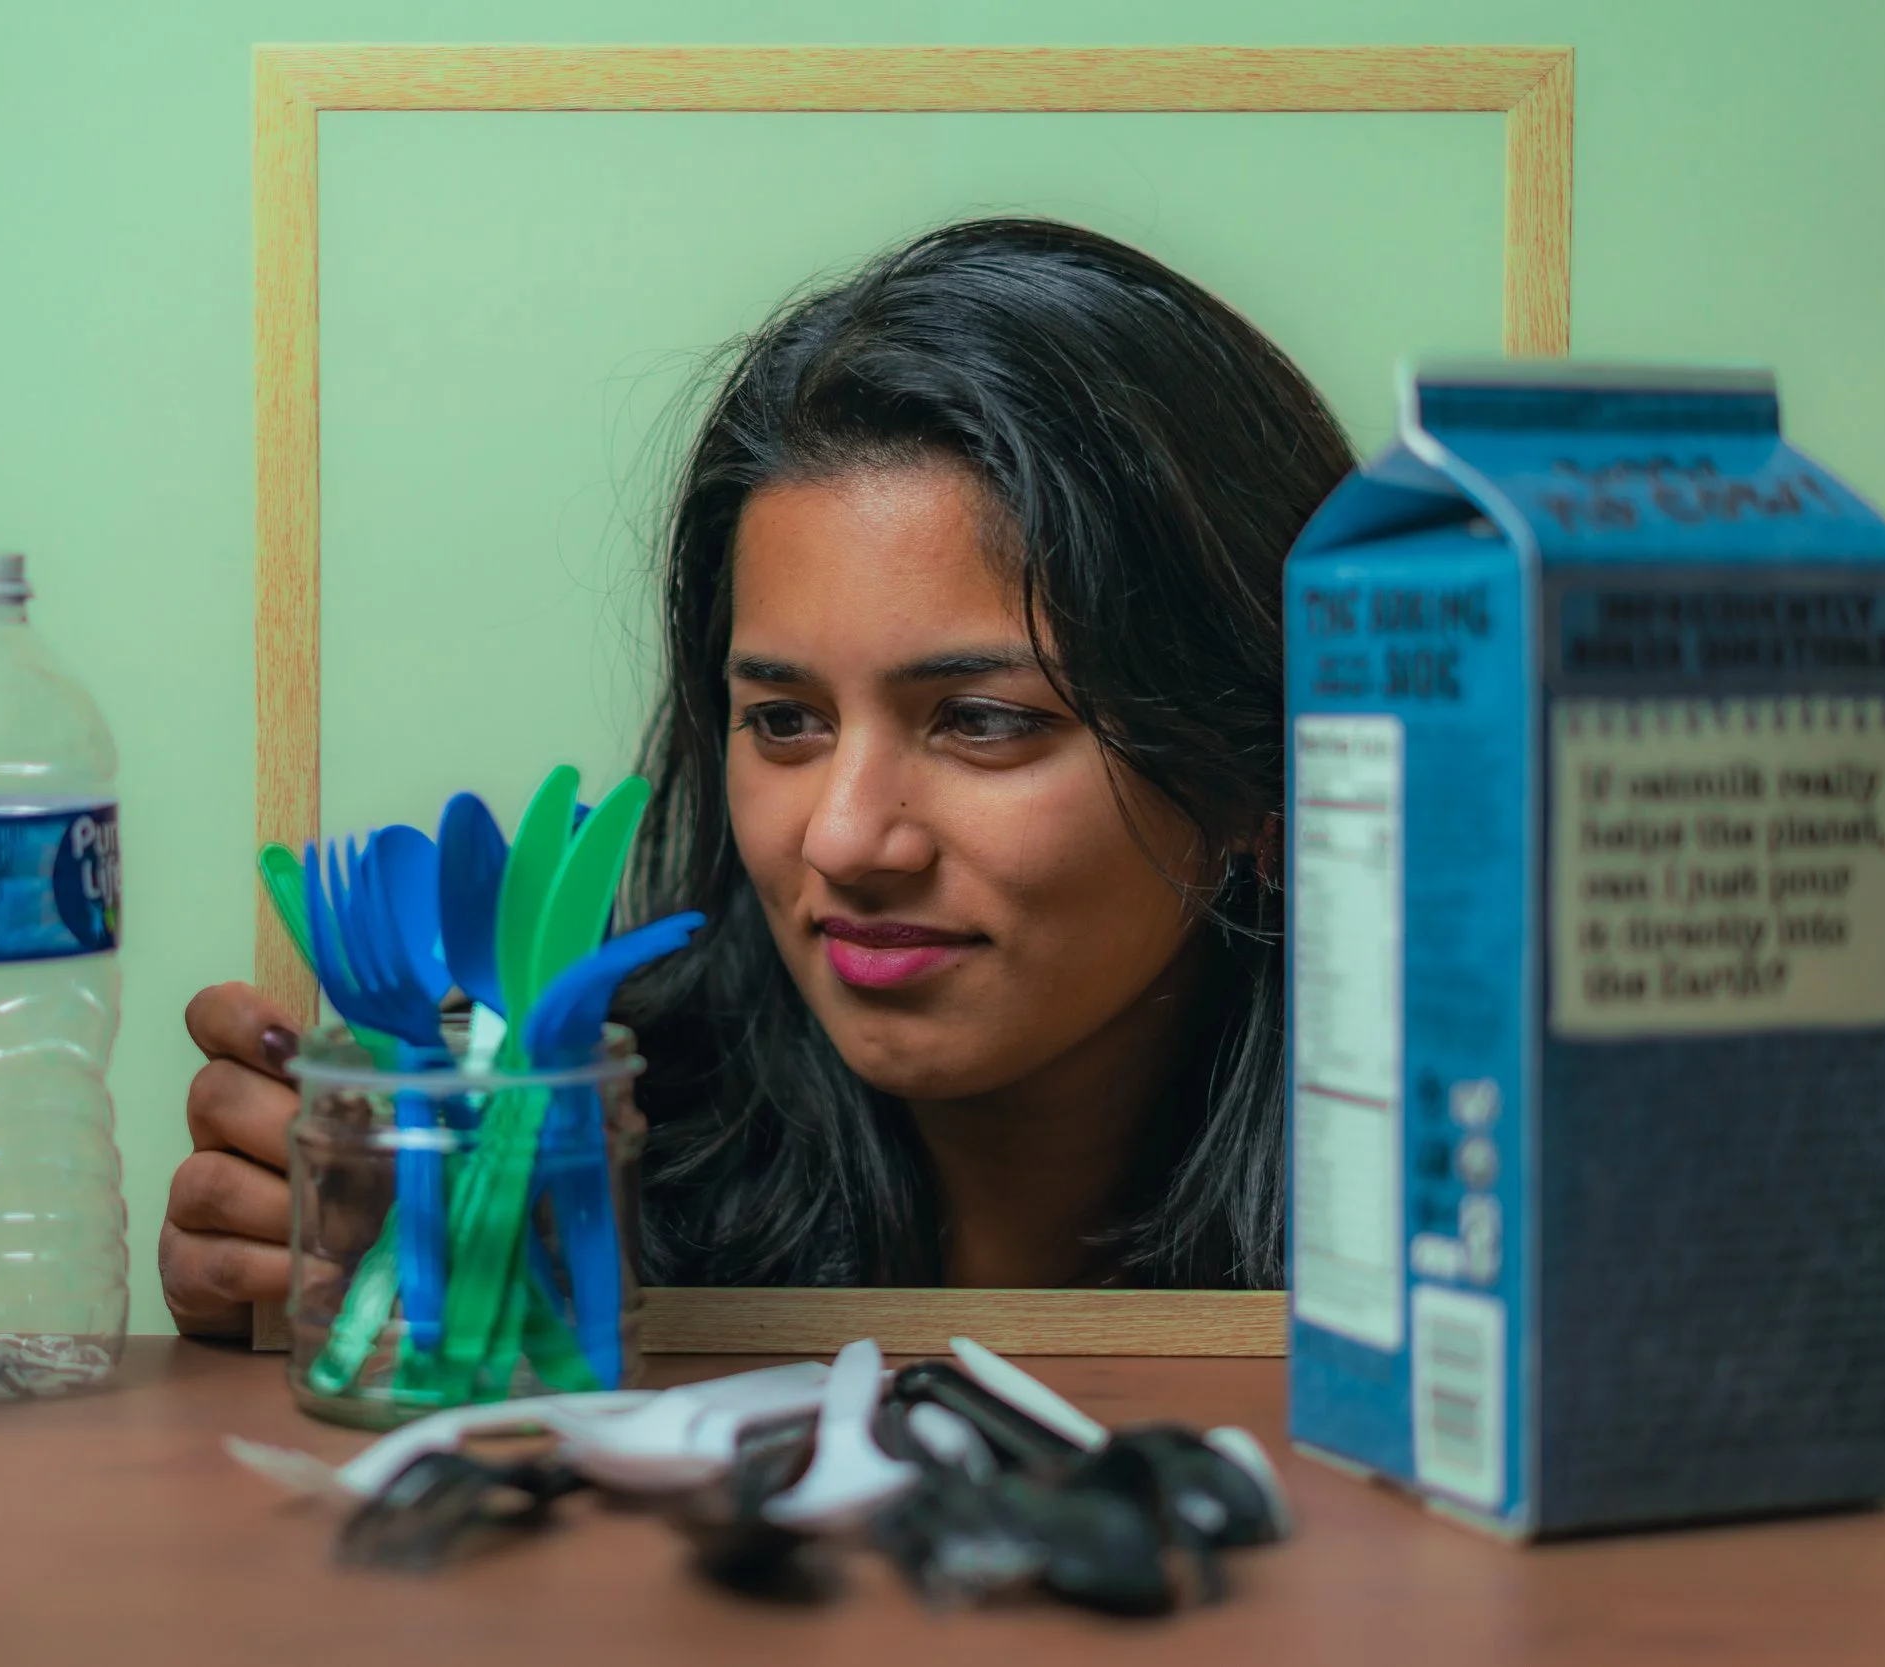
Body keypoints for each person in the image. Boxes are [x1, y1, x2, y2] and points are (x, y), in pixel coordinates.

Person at [163, 217, 1354, 1337]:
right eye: (784, 719)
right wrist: (323, 1278)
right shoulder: (576, 1145)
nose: (840, 838)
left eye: (981, 721)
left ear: (1263, 773)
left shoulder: (1448, 1229)